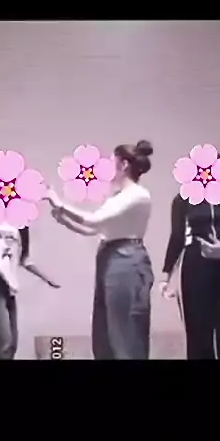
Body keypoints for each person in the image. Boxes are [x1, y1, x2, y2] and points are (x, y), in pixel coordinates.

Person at [45, 140, 154, 360]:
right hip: (110, 258)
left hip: (127, 260)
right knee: (105, 331)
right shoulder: (117, 197)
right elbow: (93, 230)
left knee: (125, 330)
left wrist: (59, 203)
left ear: (124, 165)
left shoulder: (138, 195)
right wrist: (64, 219)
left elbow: (94, 220)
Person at [159, 185, 220, 360]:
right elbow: (177, 238)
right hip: (194, 271)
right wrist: (166, 278)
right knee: (198, 337)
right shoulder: (182, 200)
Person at [0, 217, 60, 359]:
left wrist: (47, 278)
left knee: (11, 343)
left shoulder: (21, 225)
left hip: (8, 285)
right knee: (0, 342)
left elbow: (25, 259)